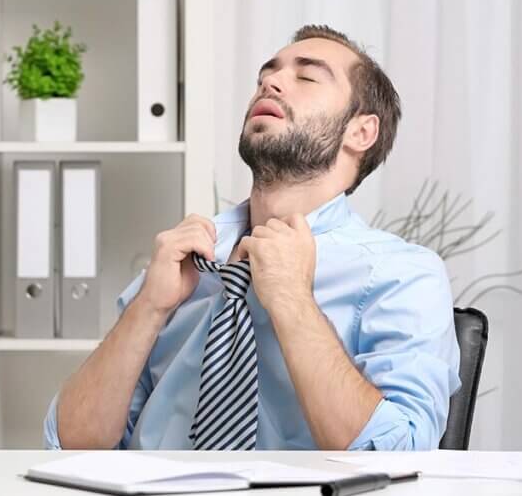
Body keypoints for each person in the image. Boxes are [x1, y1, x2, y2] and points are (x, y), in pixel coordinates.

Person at [45, 25, 461, 451]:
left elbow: (397, 457)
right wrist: (149, 307)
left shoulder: (403, 274)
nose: (270, 82)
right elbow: (73, 447)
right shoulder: (184, 257)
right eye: (266, 75)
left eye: (307, 77)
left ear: (361, 132)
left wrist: (291, 299)